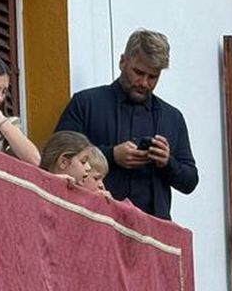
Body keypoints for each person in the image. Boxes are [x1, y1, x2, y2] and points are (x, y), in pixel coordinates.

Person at [54, 28, 198, 220]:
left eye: (153, 77)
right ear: (123, 62)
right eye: (138, 72)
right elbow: (58, 159)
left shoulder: (173, 118)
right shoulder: (85, 103)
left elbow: (190, 182)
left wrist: (167, 162)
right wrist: (112, 155)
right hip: (93, 221)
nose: (144, 83)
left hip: (151, 232)